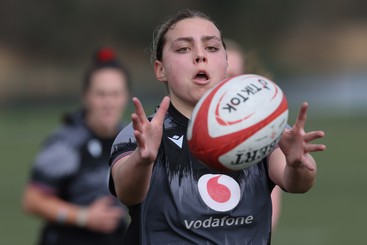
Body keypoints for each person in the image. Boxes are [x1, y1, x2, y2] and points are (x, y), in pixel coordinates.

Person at [109, 9, 326, 244]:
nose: (200, 56)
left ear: (226, 63)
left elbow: (297, 183)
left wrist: (297, 164)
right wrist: (143, 160)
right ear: (160, 70)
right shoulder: (143, 133)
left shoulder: (259, 128)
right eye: (183, 48)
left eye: (211, 48)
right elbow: (127, 192)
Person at [22, 47, 130, 245]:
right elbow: (32, 201)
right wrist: (84, 217)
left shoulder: (129, 139)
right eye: (101, 94)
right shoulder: (66, 142)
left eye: (115, 94)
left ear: (125, 97)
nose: (109, 102)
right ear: (86, 96)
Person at [225, 38, 282, 231]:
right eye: (223, 75)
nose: (227, 83)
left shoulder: (261, 132)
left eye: (233, 75)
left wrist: (297, 164)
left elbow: (269, 217)